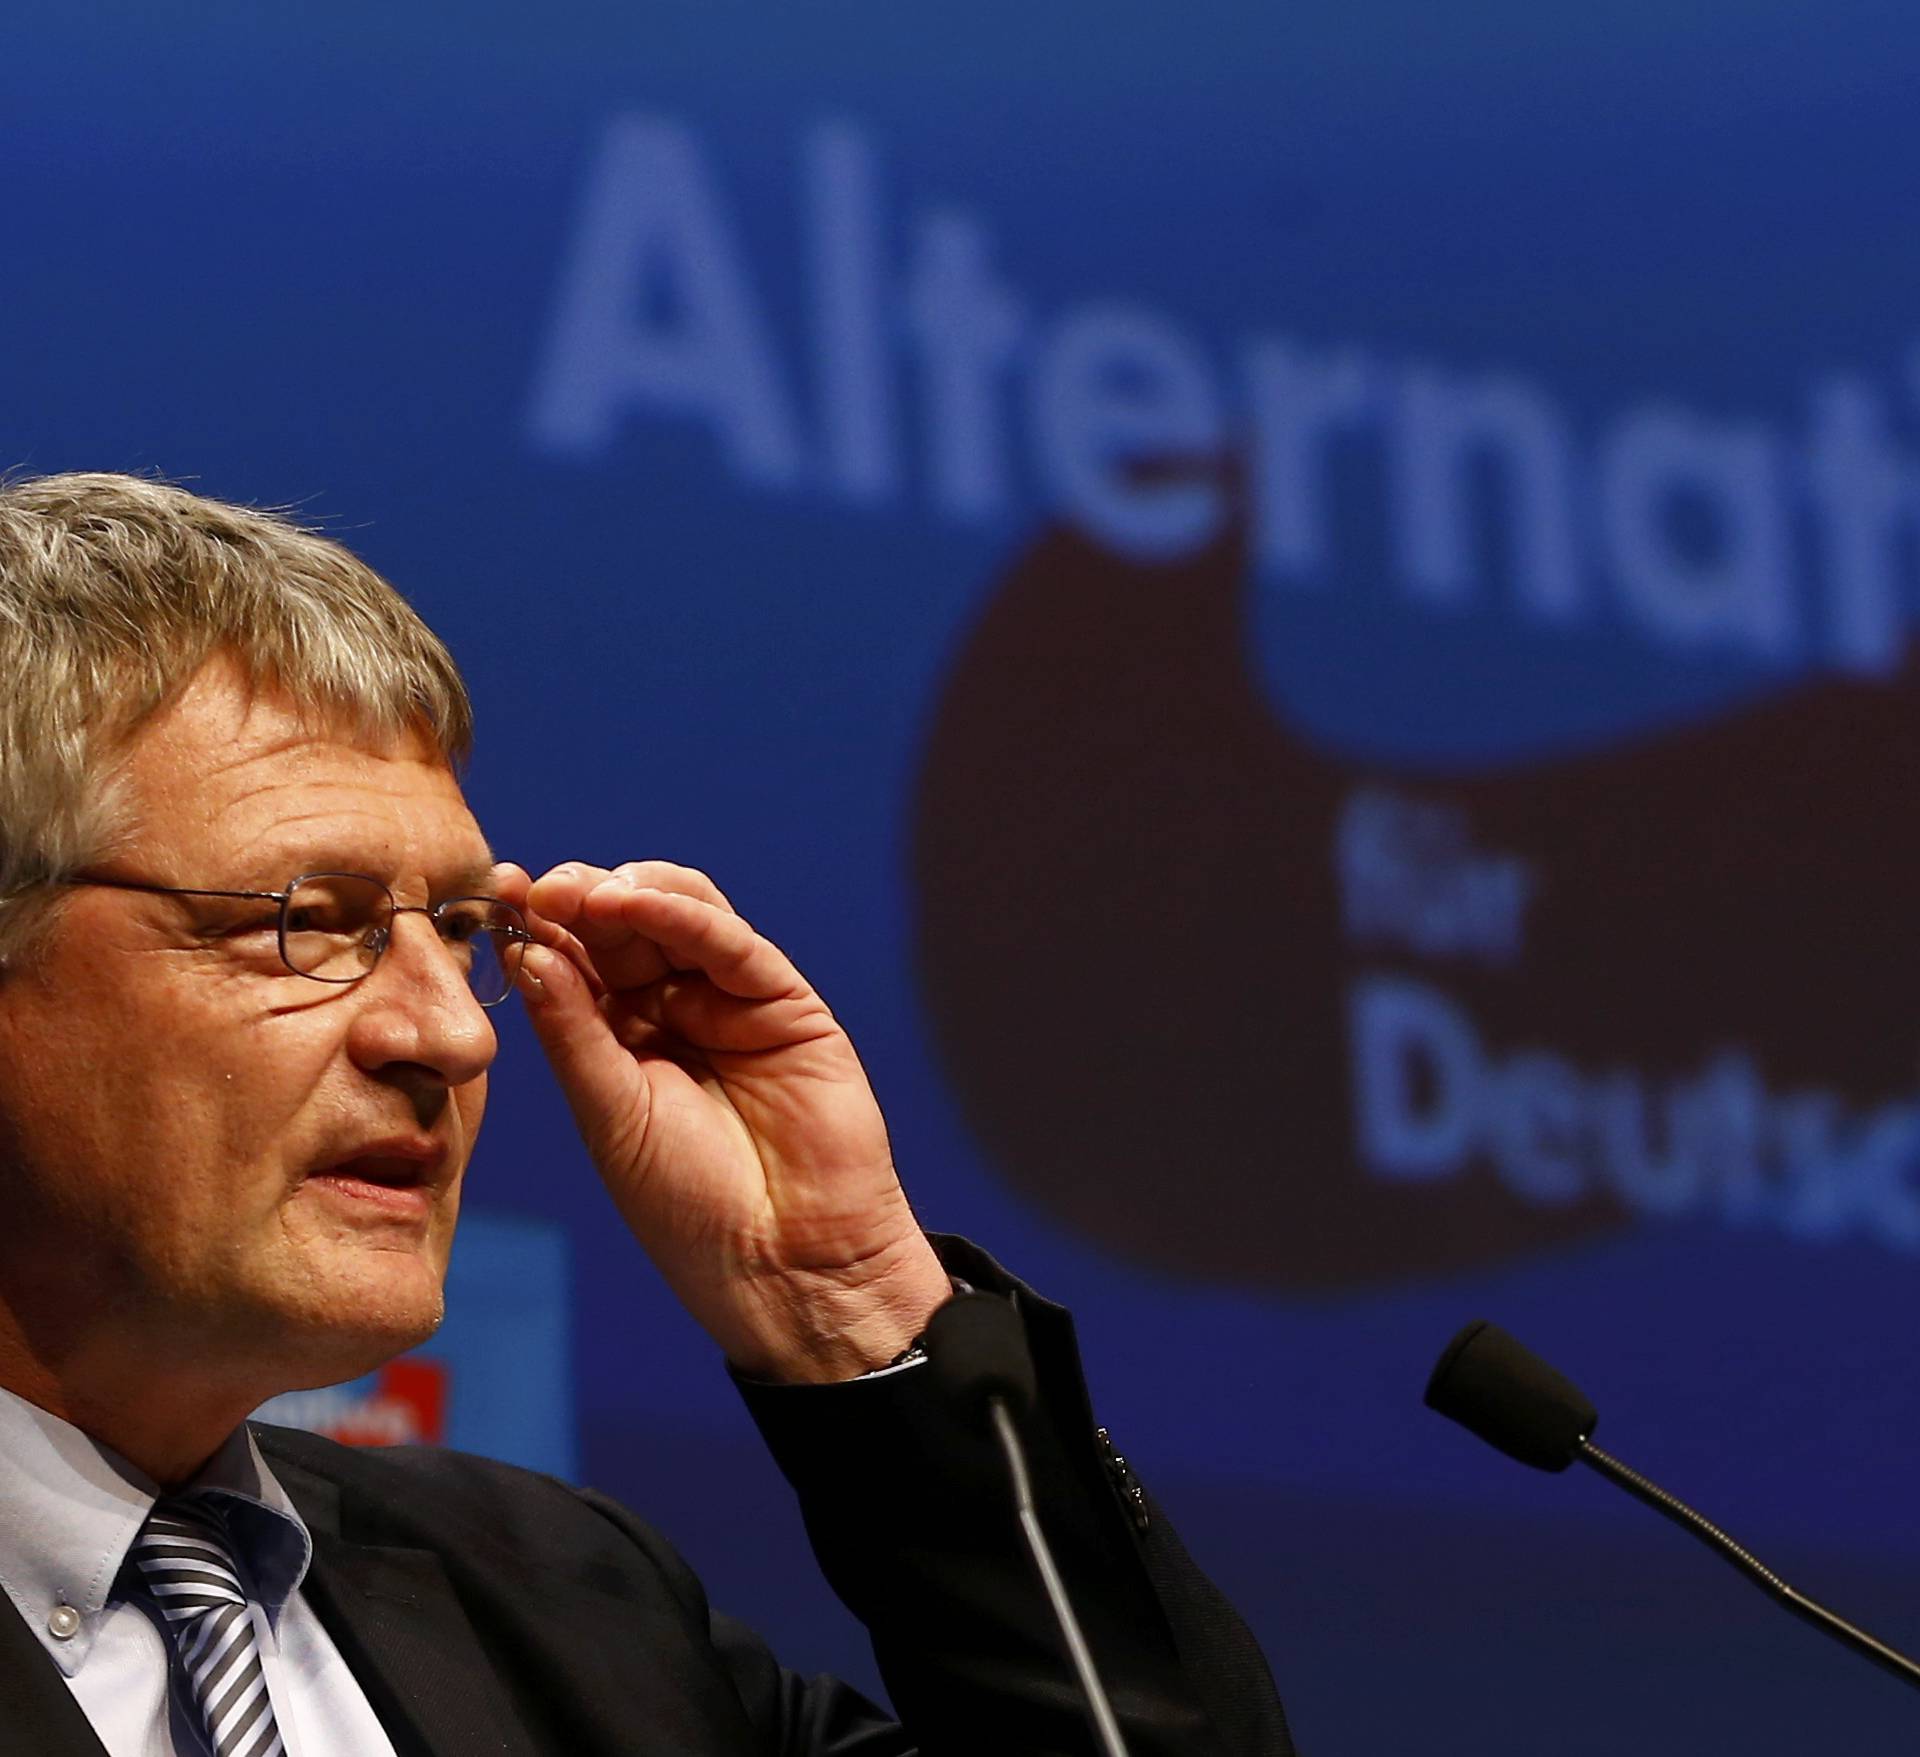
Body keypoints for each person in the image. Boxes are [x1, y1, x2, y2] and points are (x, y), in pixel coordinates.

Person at [0, 472, 1293, 1755]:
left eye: (459, 932)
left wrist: (844, 1299)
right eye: (309, 921)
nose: (449, 1030)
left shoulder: (570, 1606)